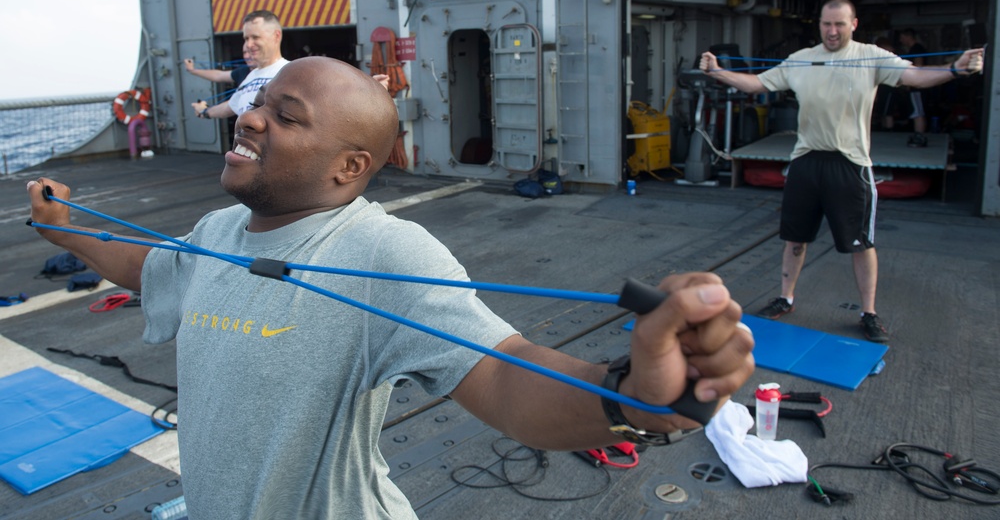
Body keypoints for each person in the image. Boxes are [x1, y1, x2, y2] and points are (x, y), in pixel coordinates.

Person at [27, 57, 755, 519]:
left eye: (285, 116)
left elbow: (502, 372)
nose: (250, 117)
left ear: (350, 167)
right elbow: (150, 267)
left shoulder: (385, 248)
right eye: (261, 103)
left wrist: (639, 399)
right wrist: (63, 228)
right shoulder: (219, 229)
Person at [700, 0, 984, 343]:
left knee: (861, 243)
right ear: (819, 25)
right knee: (795, 238)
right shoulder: (801, 60)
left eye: (839, 24)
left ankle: (869, 313)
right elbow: (758, 83)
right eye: (826, 24)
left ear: (854, 24)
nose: (832, 31)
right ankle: (785, 297)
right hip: (806, 160)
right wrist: (717, 72)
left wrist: (955, 69)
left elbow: (915, 76)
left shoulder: (871, 56)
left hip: (850, 164)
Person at [190, 10, 289, 120]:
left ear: (276, 36)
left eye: (256, 37)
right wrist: (204, 111)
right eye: (246, 39)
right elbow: (229, 107)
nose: (249, 45)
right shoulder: (249, 77)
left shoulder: (291, 72)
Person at [898, 28, 929, 146]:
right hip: (914, 86)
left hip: (917, 87)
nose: (901, 40)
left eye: (902, 37)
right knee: (916, 111)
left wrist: (911, 79)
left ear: (908, 36)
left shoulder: (917, 48)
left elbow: (919, 66)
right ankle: (918, 134)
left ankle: (919, 136)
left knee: (918, 111)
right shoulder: (913, 49)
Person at [183, 45, 256, 88]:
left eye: (250, 52)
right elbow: (218, 75)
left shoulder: (267, 72)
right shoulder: (243, 71)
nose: (247, 56)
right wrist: (192, 70)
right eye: (244, 52)